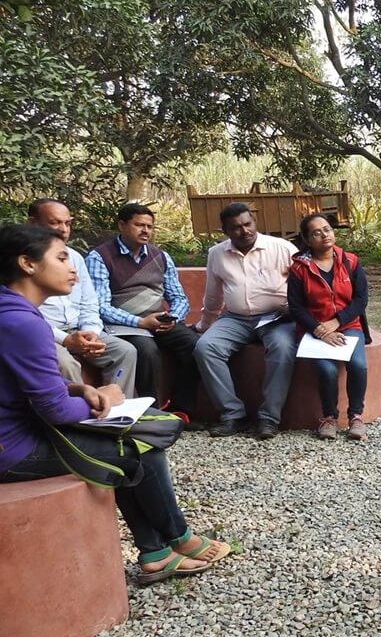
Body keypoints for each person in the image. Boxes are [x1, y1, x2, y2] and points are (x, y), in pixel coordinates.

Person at [0, 224, 230, 584]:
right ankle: (175, 540)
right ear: (27, 264)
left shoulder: (12, 312)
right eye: (62, 258)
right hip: (14, 449)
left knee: (135, 440)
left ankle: (157, 552)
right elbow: (55, 411)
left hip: (20, 430)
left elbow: (21, 383)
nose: (72, 267)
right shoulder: (22, 322)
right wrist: (105, 401)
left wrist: (78, 389)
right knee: (138, 447)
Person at [194, 202, 299, 439]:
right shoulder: (217, 254)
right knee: (205, 347)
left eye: (247, 224)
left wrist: (295, 309)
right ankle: (233, 415)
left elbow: (305, 282)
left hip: (277, 317)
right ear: (226, 231)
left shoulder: (282, 248)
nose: (244, 231)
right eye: (236, 228)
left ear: (254, 222)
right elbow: (213, 295)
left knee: (283, 348)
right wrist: (205, 325)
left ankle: (269, 419)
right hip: (236, 318)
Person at [86, 203, 201, 418]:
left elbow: (178, 297)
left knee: (195, 345)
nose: (145, 231)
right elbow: (100, 306)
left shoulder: (160, 256)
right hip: (123, 324)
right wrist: (140, 322)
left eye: (149, 226)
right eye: (139, 225)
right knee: (147, 351)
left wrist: (173, 317)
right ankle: (151, 412)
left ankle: (180, 408)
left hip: (159, 320)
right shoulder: (100, 257)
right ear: (122, 225)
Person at [27, 198, 137, 397]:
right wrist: (66, 339)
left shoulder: (75, 257)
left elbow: (89, 303)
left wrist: (91, 333)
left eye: (67, 223)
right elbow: (25, 316)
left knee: (125, 351)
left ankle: (119, 410)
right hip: (47, 333)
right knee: (66, 364)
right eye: (55, 222)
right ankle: (80, 413)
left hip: (78, 329)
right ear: (33, 223)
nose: (63, 229)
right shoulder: (23, 261)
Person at [287, 214, 371, 440]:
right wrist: (320, 330)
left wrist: (337, 322)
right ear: (307, 240)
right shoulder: (299, 268)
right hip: (315, 329)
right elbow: (296, 307)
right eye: (316, 233)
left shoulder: (350, 261)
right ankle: (329, 417)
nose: (325, 235)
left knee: (358, 365)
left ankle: (356, 417)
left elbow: (360, 300)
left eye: (327, 229)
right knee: (327, 369)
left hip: (348, 325)